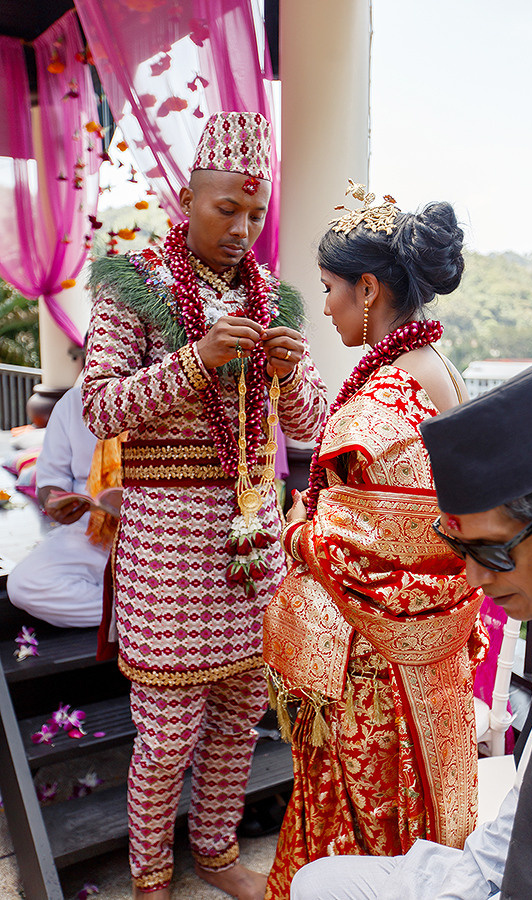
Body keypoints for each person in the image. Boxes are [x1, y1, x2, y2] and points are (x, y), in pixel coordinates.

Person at [82, 111, 327, 900]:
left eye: (255, 213)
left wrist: (289, 377)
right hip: (167, 552)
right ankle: (151, 872)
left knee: (237, 724)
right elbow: (99, 409)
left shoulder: (273, 296)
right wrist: (194, 360)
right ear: (188, 197)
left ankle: (216, 852)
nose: (242, 228)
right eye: (227, 209)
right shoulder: (134, 282)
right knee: (165, 740)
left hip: (253, 549)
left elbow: (317, 426)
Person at [290, 360, 532, 900]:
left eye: (491, 551)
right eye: (459, 551)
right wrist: (461, 880)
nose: (475, 579)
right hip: (506, 871)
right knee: (319, 882)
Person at [262, 184, 487, 898]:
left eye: (329, 288)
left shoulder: (379, 406)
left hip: (376, 675)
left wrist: (296, 531)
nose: (324, 305)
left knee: (367, 841)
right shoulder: (441, 374)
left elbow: (359, 557)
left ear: (367, 287)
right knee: (431, 826)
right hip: (436, 658)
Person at [6, 381, 112, 628]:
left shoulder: (169, 394)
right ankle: (138, 613)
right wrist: (54, 502)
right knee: (25, 585)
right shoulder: (74, 402)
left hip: (162, 536)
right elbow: (50, 480)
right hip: (91, 534)